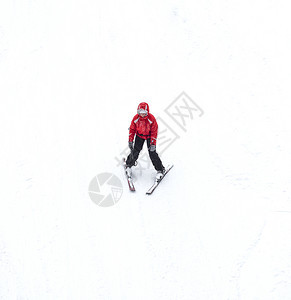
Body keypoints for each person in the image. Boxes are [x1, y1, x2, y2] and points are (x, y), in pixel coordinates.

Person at [125, 102, 165, 180]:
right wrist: (130, 140)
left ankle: (160, 169)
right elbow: (132, 129)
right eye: (140, 112)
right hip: (139, 136)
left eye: (144, 113)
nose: (142, 114)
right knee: (135, 151)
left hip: (149, 136)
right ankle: (129, 165)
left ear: (147, 112)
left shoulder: (151, 119)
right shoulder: (136, 118)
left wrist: (153, 143)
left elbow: (154, 131)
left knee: (152, 153)